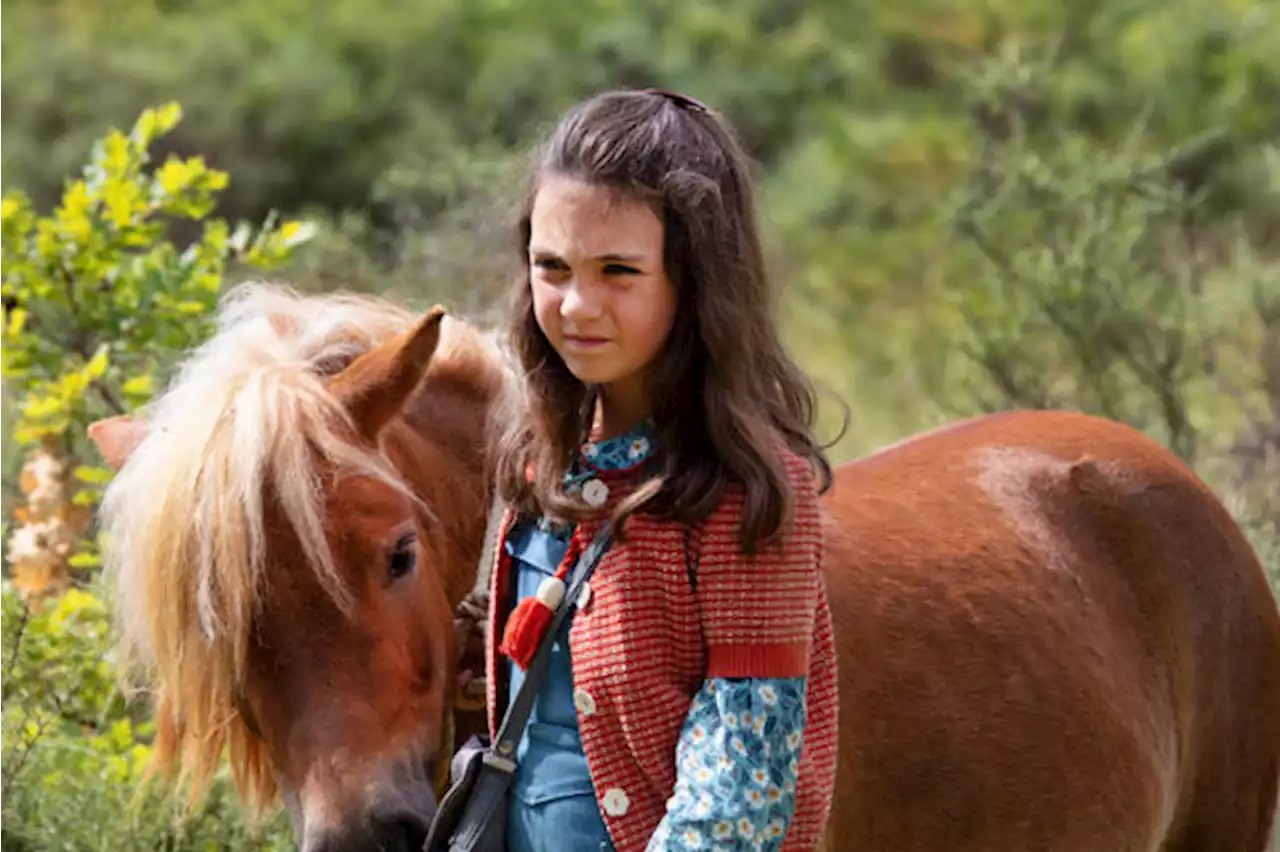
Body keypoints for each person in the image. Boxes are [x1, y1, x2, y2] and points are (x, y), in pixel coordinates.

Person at [484, 88, 839, 852]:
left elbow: (739, 792)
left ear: (697, 279)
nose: (577, 305)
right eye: (553, 267)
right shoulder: (540, 458)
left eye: (618, 271)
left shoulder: (743, 489)